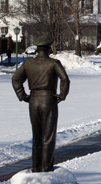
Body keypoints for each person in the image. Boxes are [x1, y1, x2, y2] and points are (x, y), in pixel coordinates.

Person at [12, 34, 70, 172]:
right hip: (49, 100)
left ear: (38, 49)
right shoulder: (53, 63)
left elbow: (16, 79)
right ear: (49, 49)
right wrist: (62, 95)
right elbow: (65, 80)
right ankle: (46, 167)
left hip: (33, 101)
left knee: (37, 135)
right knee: (48, 136)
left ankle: (36, 167)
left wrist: (23, 95)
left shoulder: (28, 64)